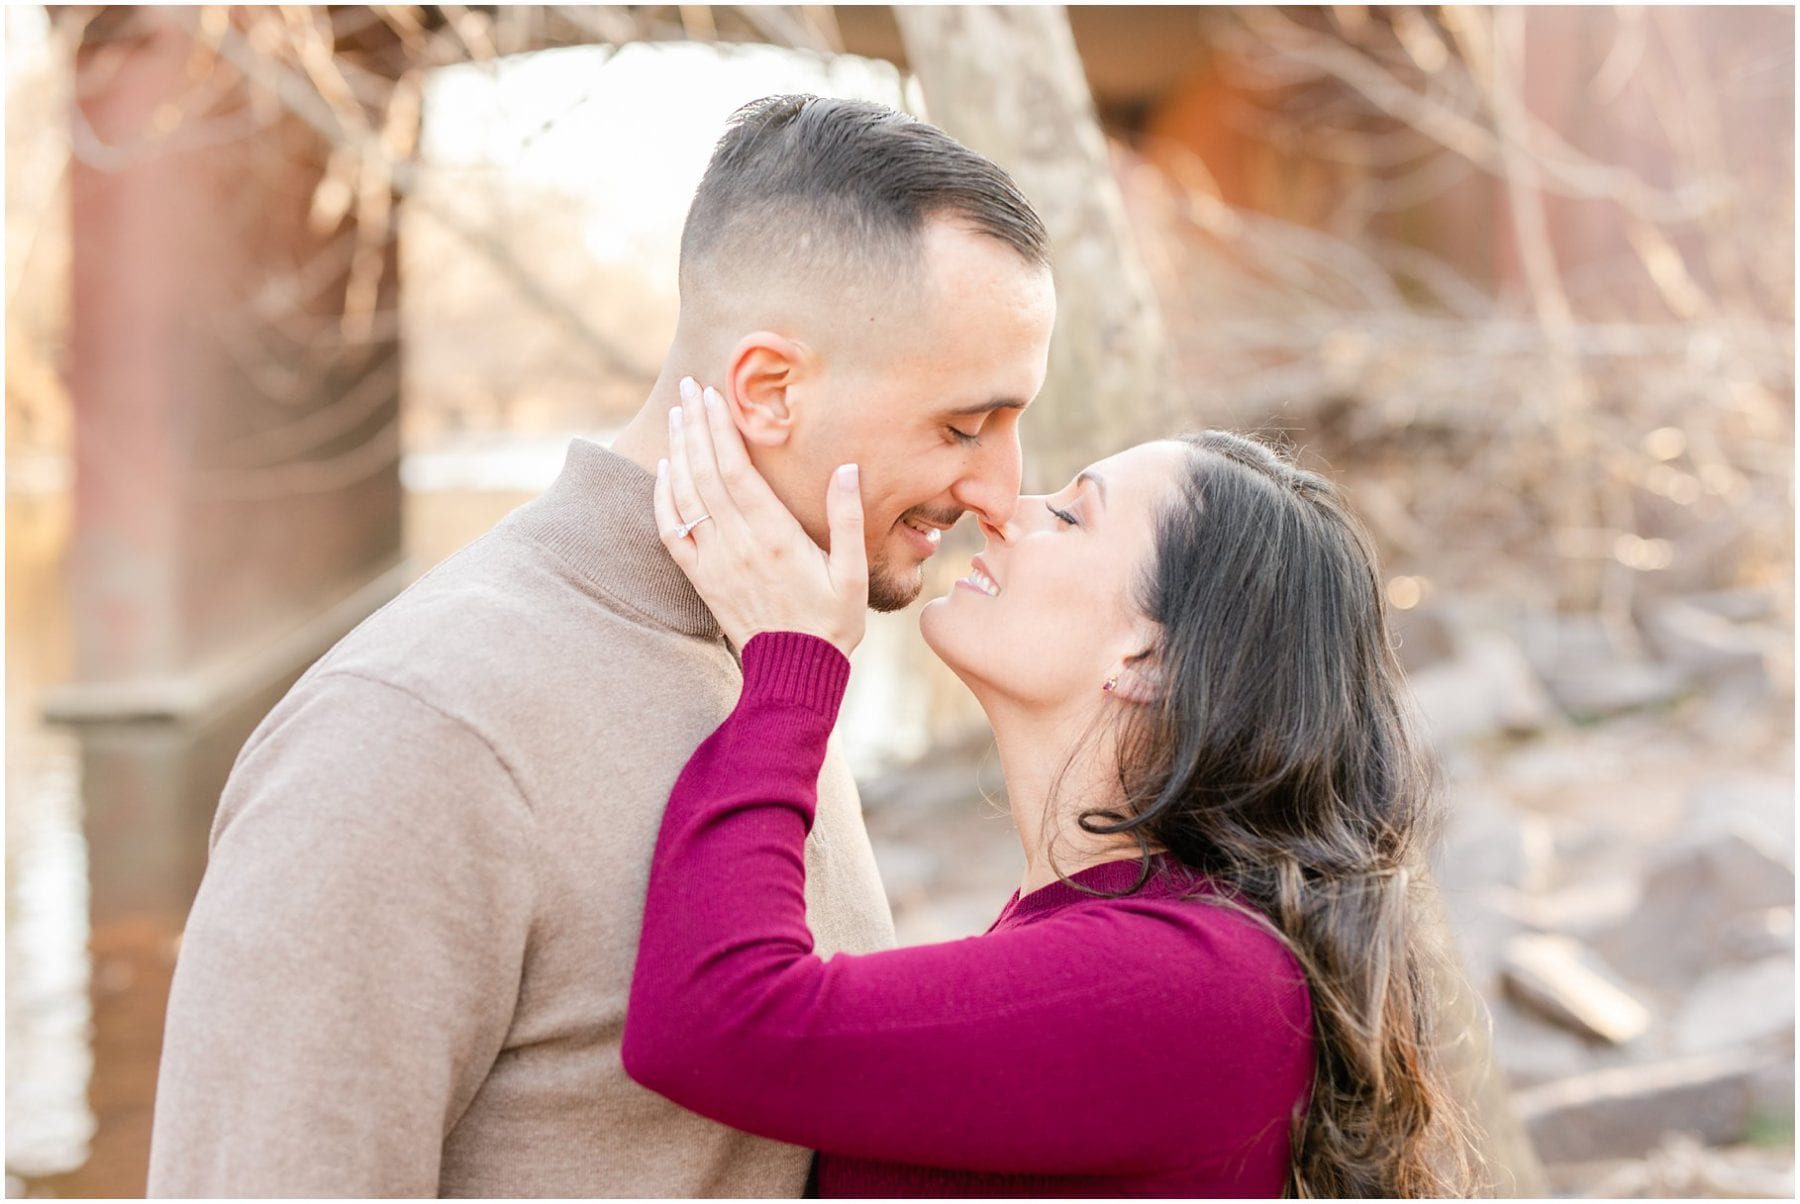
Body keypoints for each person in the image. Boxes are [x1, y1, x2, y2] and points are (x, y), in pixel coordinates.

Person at [148, 95, 1055, 1196]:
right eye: (963, 427)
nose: (1002, 491)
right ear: (770, 389)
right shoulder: (415, 728)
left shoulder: (777, 654)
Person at [622, 387, 1478, 1197]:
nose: (1004, 509)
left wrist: (792, 664)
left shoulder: (1200, 989)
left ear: (1148, 661)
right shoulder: (1110, 932)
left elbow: (720, 1025)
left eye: (1069, 515)